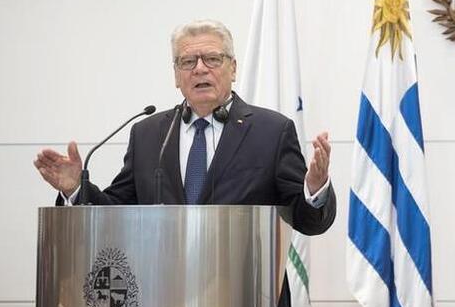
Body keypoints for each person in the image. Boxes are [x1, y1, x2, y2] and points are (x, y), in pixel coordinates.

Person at [33, 19, 335, 235]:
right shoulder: (149, 134)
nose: (200, 68)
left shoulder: (272, 131)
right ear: (176, 76)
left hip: (248, 305)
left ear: (233, 69)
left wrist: (314, 188)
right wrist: (75, 188)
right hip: (163, 304)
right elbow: (114, 213)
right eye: (188, 61)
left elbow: (308, 221)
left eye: (213, 59)